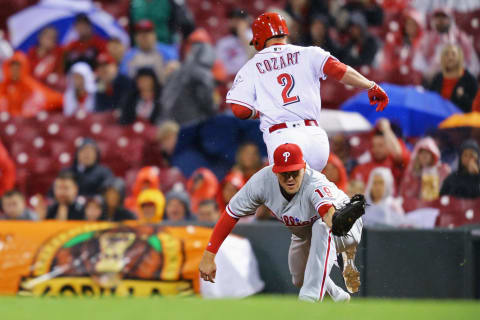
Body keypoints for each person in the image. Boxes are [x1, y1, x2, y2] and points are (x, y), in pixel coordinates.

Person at [226, 12, 389, 175]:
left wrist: (259, 112)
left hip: (283, 138)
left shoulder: (252, 66)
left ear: (259, 38)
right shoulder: (309, 53)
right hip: (315, 138)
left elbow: (239, 109)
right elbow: (339, 71)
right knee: (312, 189)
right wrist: (370, 85)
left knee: (285, 195)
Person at [199, 143, 363, 302]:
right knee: (300, 278)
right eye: (284, 173)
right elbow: (230, 214)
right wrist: (209, 255)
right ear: (275, 171)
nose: (290, 178)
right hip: (305, 232)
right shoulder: (262, 181)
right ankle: (337, 296)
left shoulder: (314, 183)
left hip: (343, 227)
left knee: (321, 227)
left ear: (304, 168)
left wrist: (336, 222)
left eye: (294, 172)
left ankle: (309, 300)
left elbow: (327, 214)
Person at [161, 28, 219, 125]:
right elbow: (207, 100)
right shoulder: (202, 72)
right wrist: (213, 111)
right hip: (191, 122)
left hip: (170, 121)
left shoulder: (179, 69)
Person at [413, 8, 479, 80]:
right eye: (437, 18)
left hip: (457, 80)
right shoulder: (427, 39)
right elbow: (418, 63)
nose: (440, 21)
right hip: (434, 81)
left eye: (444, 17)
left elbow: (473, 66)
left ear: (450, 20)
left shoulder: (461, 38)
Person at [350, 119, 410, 187]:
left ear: (388, 147)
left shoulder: (395, 164)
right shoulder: (361, 168)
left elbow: (399, 154)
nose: (376, 149)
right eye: (373, 146)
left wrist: (386, 129)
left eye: (380, 145)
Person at [0, 51, 63, 116]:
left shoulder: (29, 84)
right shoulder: (4, 85)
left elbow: (47, 97)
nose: (15, 71)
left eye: (17, 68)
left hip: (24, 120)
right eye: (12, 68)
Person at [399, 137, 451, 211]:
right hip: (415, 212)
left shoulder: (443, 171)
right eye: (422, 153)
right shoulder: (410, 175)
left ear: (433, 155)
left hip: (435, 210)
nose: (424, 156)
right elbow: (404, 196)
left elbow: (446, 196)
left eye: (427, 153)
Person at [378, 8, 423, 85]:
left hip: (412, 81)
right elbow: (387, 62)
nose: (410, 27)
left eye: (413, 24)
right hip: (394, 77)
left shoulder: (421, 44)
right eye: (408, 24)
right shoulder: (396, 41)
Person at [429, 44, 478, 113]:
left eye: (453, 54)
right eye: (446, 54)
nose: (450, 57)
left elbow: (475, 107)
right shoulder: (438, 78)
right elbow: (429, 100)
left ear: (459, 57)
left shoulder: (469, 79)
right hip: (440, 119)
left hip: (460, 121)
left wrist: (463, 96)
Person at [215, 9, 254, 77]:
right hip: (227, 78)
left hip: (248, 76)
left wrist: (242, 34)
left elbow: (253, 53)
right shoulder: (223, 42)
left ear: (247, 21)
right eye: (234, 20)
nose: (237, 23)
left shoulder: (253, 35)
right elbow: (218, 64)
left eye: (239, 20)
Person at [27, 26, 65, 90]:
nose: (50, 40)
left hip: (50, 90)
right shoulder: (31, 53)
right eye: (48, 36)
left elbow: (60, 73)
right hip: (33, 89)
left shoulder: (59, 52)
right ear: (40, 37)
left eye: (53, 38)